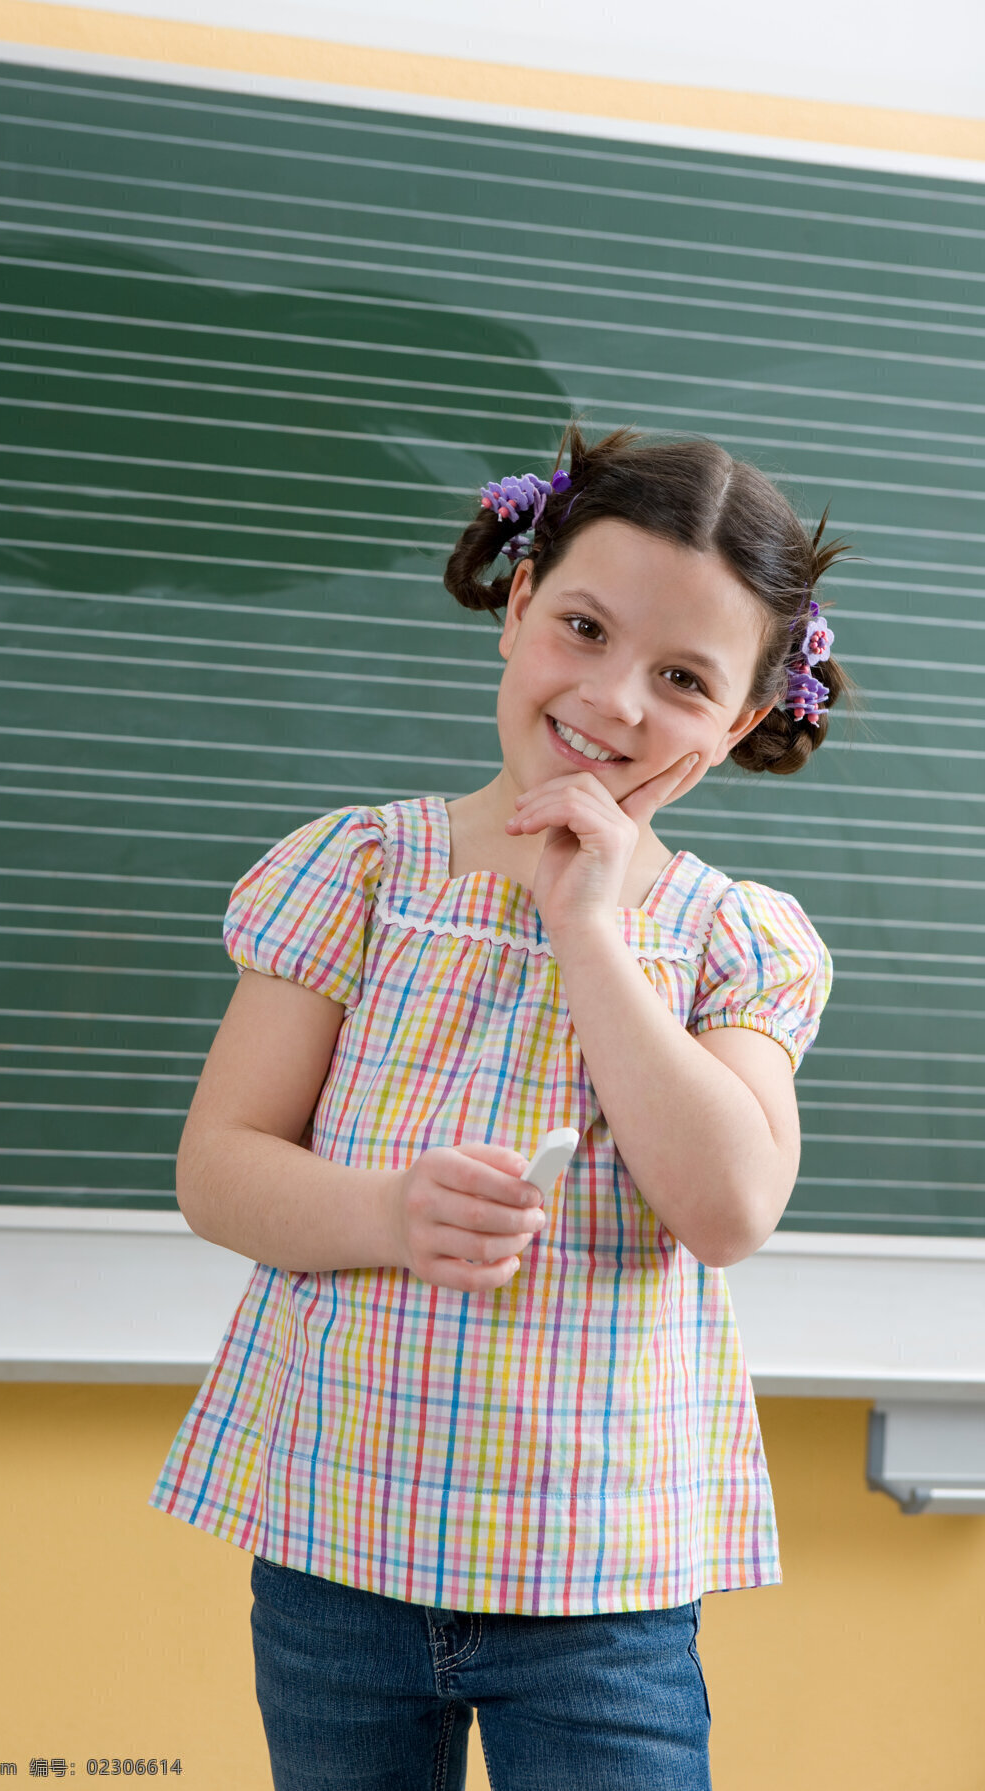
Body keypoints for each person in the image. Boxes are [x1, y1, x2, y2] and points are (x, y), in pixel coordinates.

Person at [149, 424, 848, 1790]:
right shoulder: (361, 870)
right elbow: (218, 1168)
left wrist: (592, 926)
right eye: (583, 626)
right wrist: (390, 1213)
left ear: (742, 723)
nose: (615, 701)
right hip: (336, 1541)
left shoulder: (727, 937)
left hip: (600, 1577)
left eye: (685, 680)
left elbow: (730, 1207)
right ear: (519, 602)